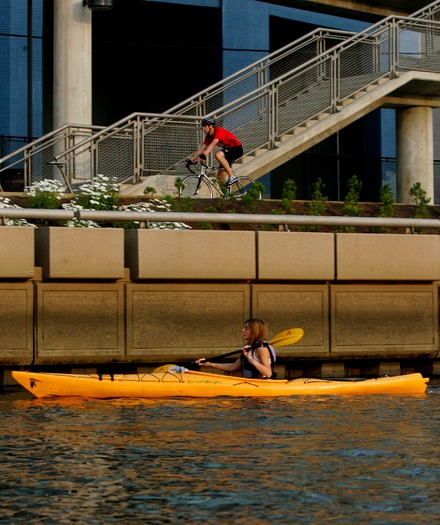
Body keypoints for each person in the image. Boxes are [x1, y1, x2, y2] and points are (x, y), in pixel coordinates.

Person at [195, 318, 276, 379]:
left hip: (261, 393)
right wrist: (209, 364)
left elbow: (268, 373)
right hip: (250, 388)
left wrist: (250, 358)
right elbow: (233, 367)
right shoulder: (251, 347)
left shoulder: (261, 349)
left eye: (246, 328)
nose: (243, 330)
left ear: (254, 331)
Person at [187, 117, 244, 185]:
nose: (203, 128)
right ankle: (226, 194)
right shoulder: (208, 136)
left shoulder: (219, 130)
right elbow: (201, 148)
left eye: (205, 126)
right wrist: (191, 159)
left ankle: (232, 176)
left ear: (210, 126)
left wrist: (204, 155)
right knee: (219, 176)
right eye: (202, 127)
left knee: (218, 154)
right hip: (228, 153)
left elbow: (213, 144)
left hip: (236, 149)